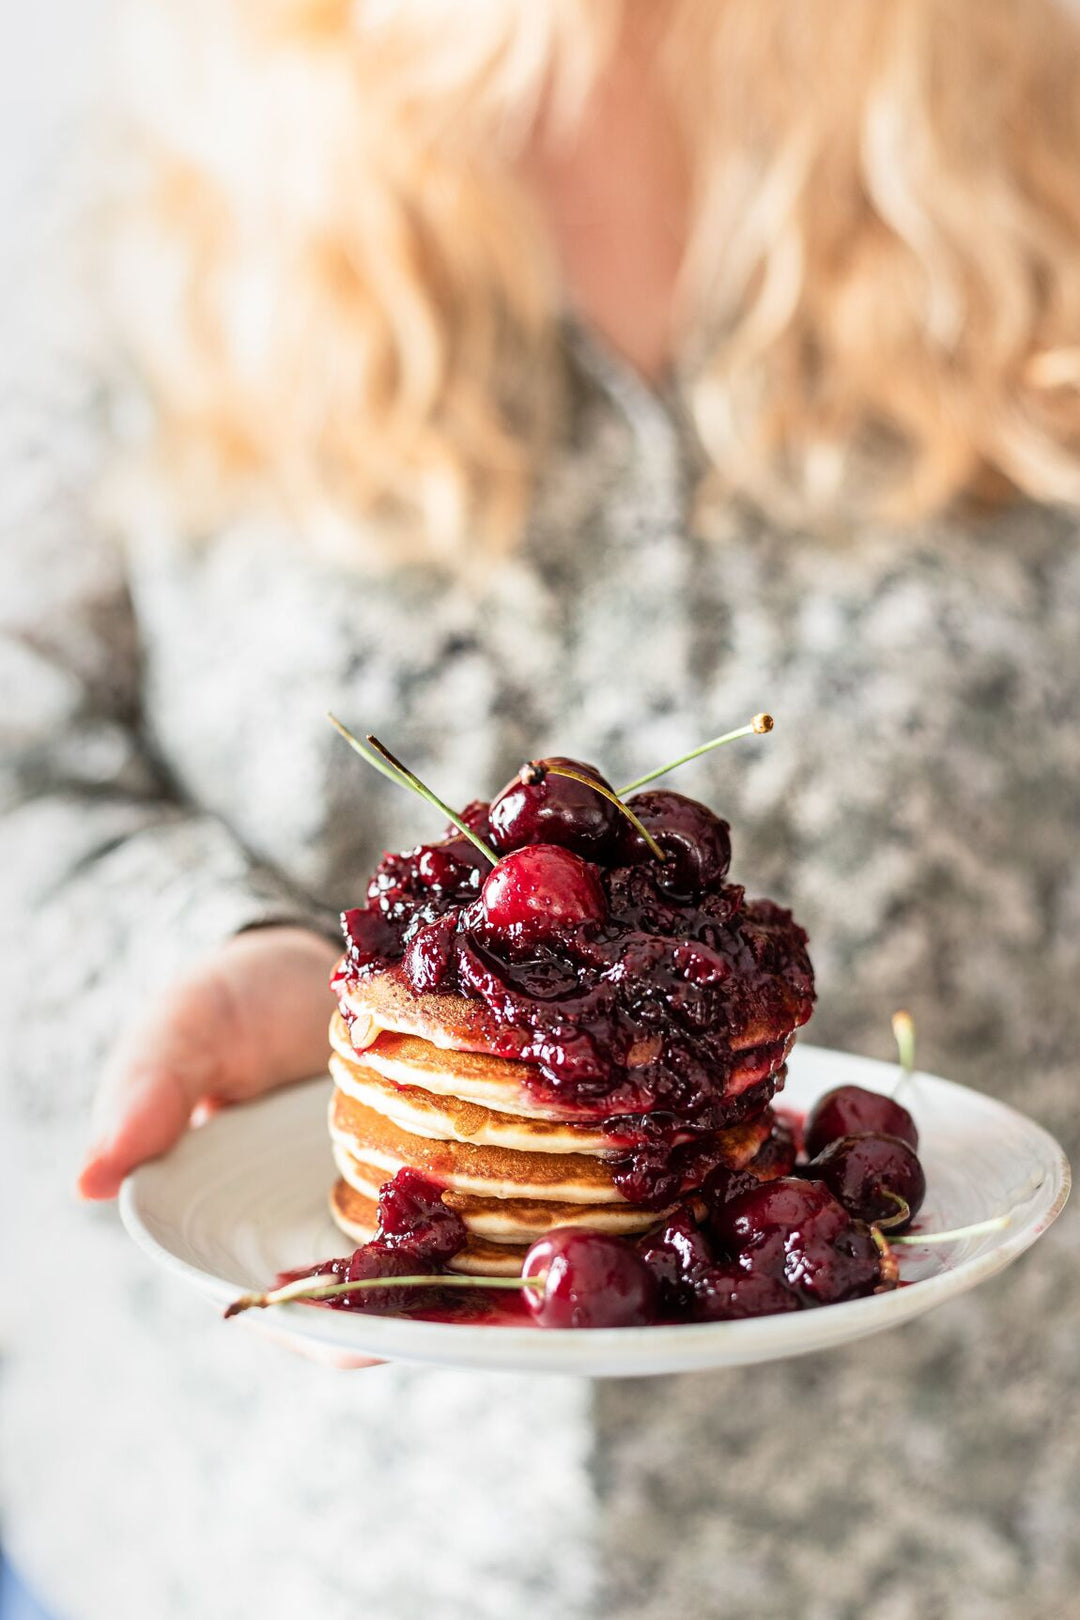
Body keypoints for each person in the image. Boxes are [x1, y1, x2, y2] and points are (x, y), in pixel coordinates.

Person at [3, 2, 1080, 1616]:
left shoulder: (1044, 138)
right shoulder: (169, 180)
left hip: (957, 1525)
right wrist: (203, 947)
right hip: (256, 1531)